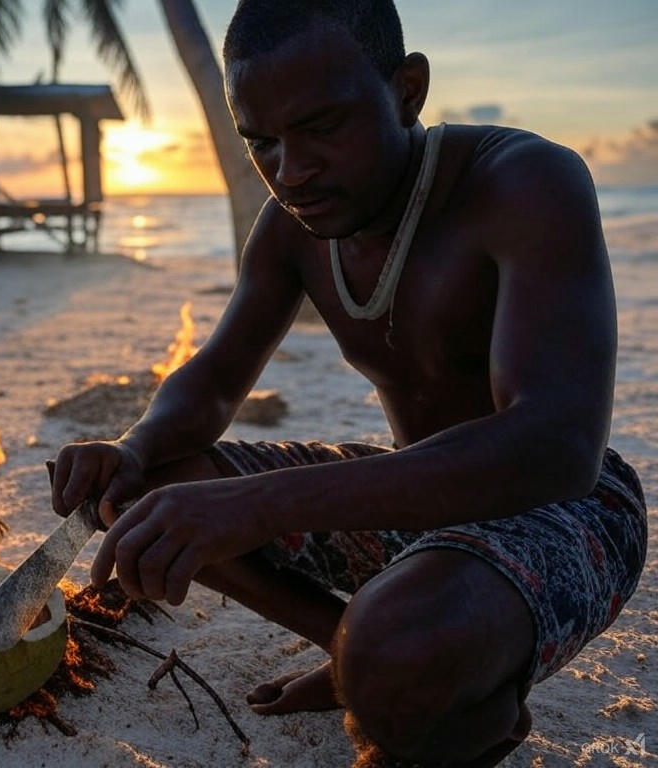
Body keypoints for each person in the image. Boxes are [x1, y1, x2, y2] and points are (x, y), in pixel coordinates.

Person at [48, 1, 647, 765]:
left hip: (565, 509)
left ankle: (406, 675)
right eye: (261, 142)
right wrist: (129, 452)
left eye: (323, 128)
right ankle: (352, 652)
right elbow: (215, 381)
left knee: (397, 651)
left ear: (407, 89)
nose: (291, 172)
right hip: (412, 508)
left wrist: (259, 503)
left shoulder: (522, 183)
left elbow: (554, 447)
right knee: (148, 494)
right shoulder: (291, 226)